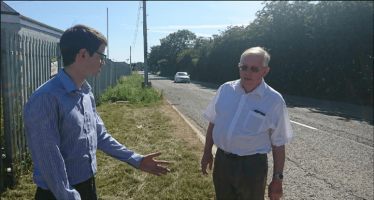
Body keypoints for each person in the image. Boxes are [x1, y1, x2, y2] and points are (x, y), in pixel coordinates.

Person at [24, 24, 170, 200]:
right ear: (83, 54)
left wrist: (136, 159)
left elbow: (100, 136)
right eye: (101, 56)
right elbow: (50, 163)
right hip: (58, 194)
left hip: (87, 187)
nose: (103, 62)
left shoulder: (86, 92)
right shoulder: (45, 98)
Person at [201, 47, 294, 200]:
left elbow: (279, 143)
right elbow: (213, 123)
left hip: (252, 167)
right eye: (244, 67)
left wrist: (277, 179)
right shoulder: (225, 90)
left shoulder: (274, 101)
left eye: (254, 68)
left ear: (265, 71)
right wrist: (206, 153)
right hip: (222, 161)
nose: (247, 72)